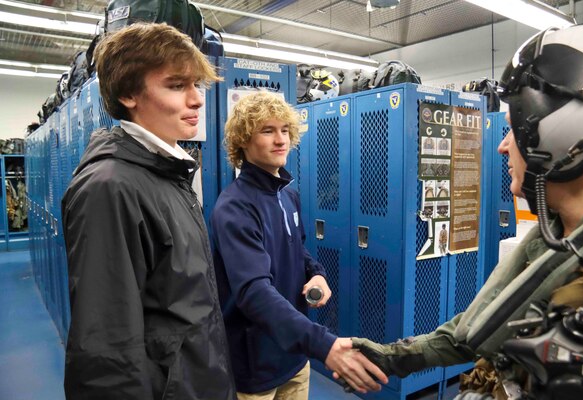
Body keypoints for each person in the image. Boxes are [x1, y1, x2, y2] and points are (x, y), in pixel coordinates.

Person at [350, 24, 583, 398]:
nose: (502, 147)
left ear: (554, 138)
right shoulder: (553, 241)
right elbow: (479, 325)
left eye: (512, 131)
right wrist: (393, 357)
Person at [61, 23, 236, 399]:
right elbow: (107, 352)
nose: (197, 100)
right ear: (128, 94)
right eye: (176, 86)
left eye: (197, 85)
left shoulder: (167, 173)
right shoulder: (111, 188)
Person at [210, 91, 387, 399]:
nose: (280, 140)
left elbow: (297, 250)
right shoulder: (235, 207)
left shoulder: (287, 195)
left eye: (284, 130)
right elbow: (253, 292)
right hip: (256, 365)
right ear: (243, 140)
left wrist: (316, 272)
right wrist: (323, 343)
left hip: (294, 356)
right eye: (267, 131)